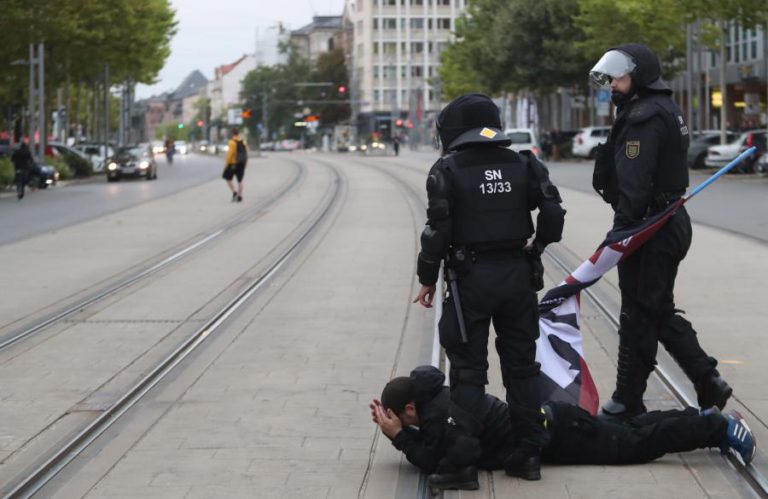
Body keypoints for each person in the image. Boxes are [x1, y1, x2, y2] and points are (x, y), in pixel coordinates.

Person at [412, 93, 566, 480]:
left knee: (468, 372)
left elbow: (437, 233)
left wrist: (427, 278)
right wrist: (539, 247)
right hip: (517, 275)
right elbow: (553, 211)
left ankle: (463, 462)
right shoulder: (524, 163)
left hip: (471, 280)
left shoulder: (446, 169)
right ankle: (528, 455)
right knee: (522, 367)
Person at [589, 44, 732, 419]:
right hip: (664, 221)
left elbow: (635, 186)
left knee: (638, 313)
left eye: (619, 76)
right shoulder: (663, 107)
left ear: (640, 76)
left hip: (649, 226)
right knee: (653, 308)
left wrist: (620, 237)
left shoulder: (644, 117)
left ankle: (628, 399)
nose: (613, 84)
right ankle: (706, 381)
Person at [370, 366, 756, 492]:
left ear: (409, 408)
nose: (401, 425)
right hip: (555, 422)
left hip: (560, 435)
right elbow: (436, 445)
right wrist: (405, 433)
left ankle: (714, 427)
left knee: (634, 444)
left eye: (400, 418)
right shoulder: (441, 401)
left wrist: (400, 438)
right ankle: (700, 417)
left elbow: (446, 459)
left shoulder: (442, 418)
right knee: (628, 428)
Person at [222, 127, 248, 202]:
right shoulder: (243, 142)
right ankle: (239, 196)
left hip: (233, 164)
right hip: (241, 163)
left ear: (232, 133)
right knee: (240, 181)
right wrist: (245, 163)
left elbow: (230, 155)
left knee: (227, 178)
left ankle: (234, 191)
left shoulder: (231, 142)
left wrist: (227, 164)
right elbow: (246, 154)